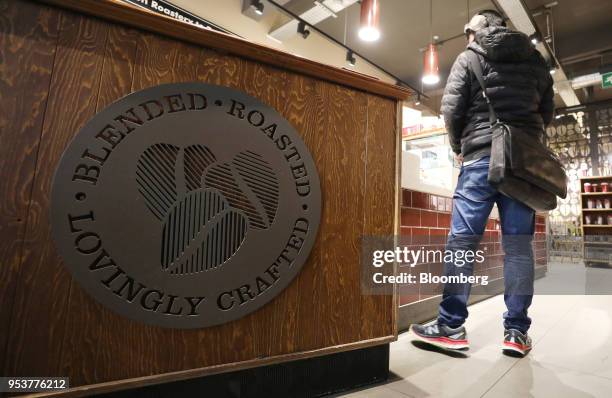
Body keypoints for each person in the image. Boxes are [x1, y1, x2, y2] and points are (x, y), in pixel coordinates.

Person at [410, 9, 554, 357]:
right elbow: (546, 112)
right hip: (520, 166)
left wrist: (461, 147)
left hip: (479, 159)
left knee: (463, 242)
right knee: (519, 248)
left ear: (481, 29)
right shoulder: (536, 62)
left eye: (468, 30)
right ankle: (516, 333)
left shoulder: (469, 57)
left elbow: (451, 109)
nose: (466, 36)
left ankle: (450, 327)